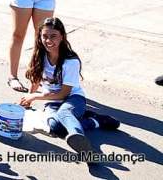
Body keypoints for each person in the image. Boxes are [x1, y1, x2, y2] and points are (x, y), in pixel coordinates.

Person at [20, 18, 119, 158]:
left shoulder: (70, 61)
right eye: (45, 36)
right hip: (52, 101)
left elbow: (63, 94)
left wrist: (35, 96)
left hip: (73, 98)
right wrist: (28, 99)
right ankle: (95, 121)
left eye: (53, 36)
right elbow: (36, 79)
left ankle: (82, 144)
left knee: (64, 114)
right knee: (55, 127)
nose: (48, 40)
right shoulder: (40, 54)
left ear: (62, 36)